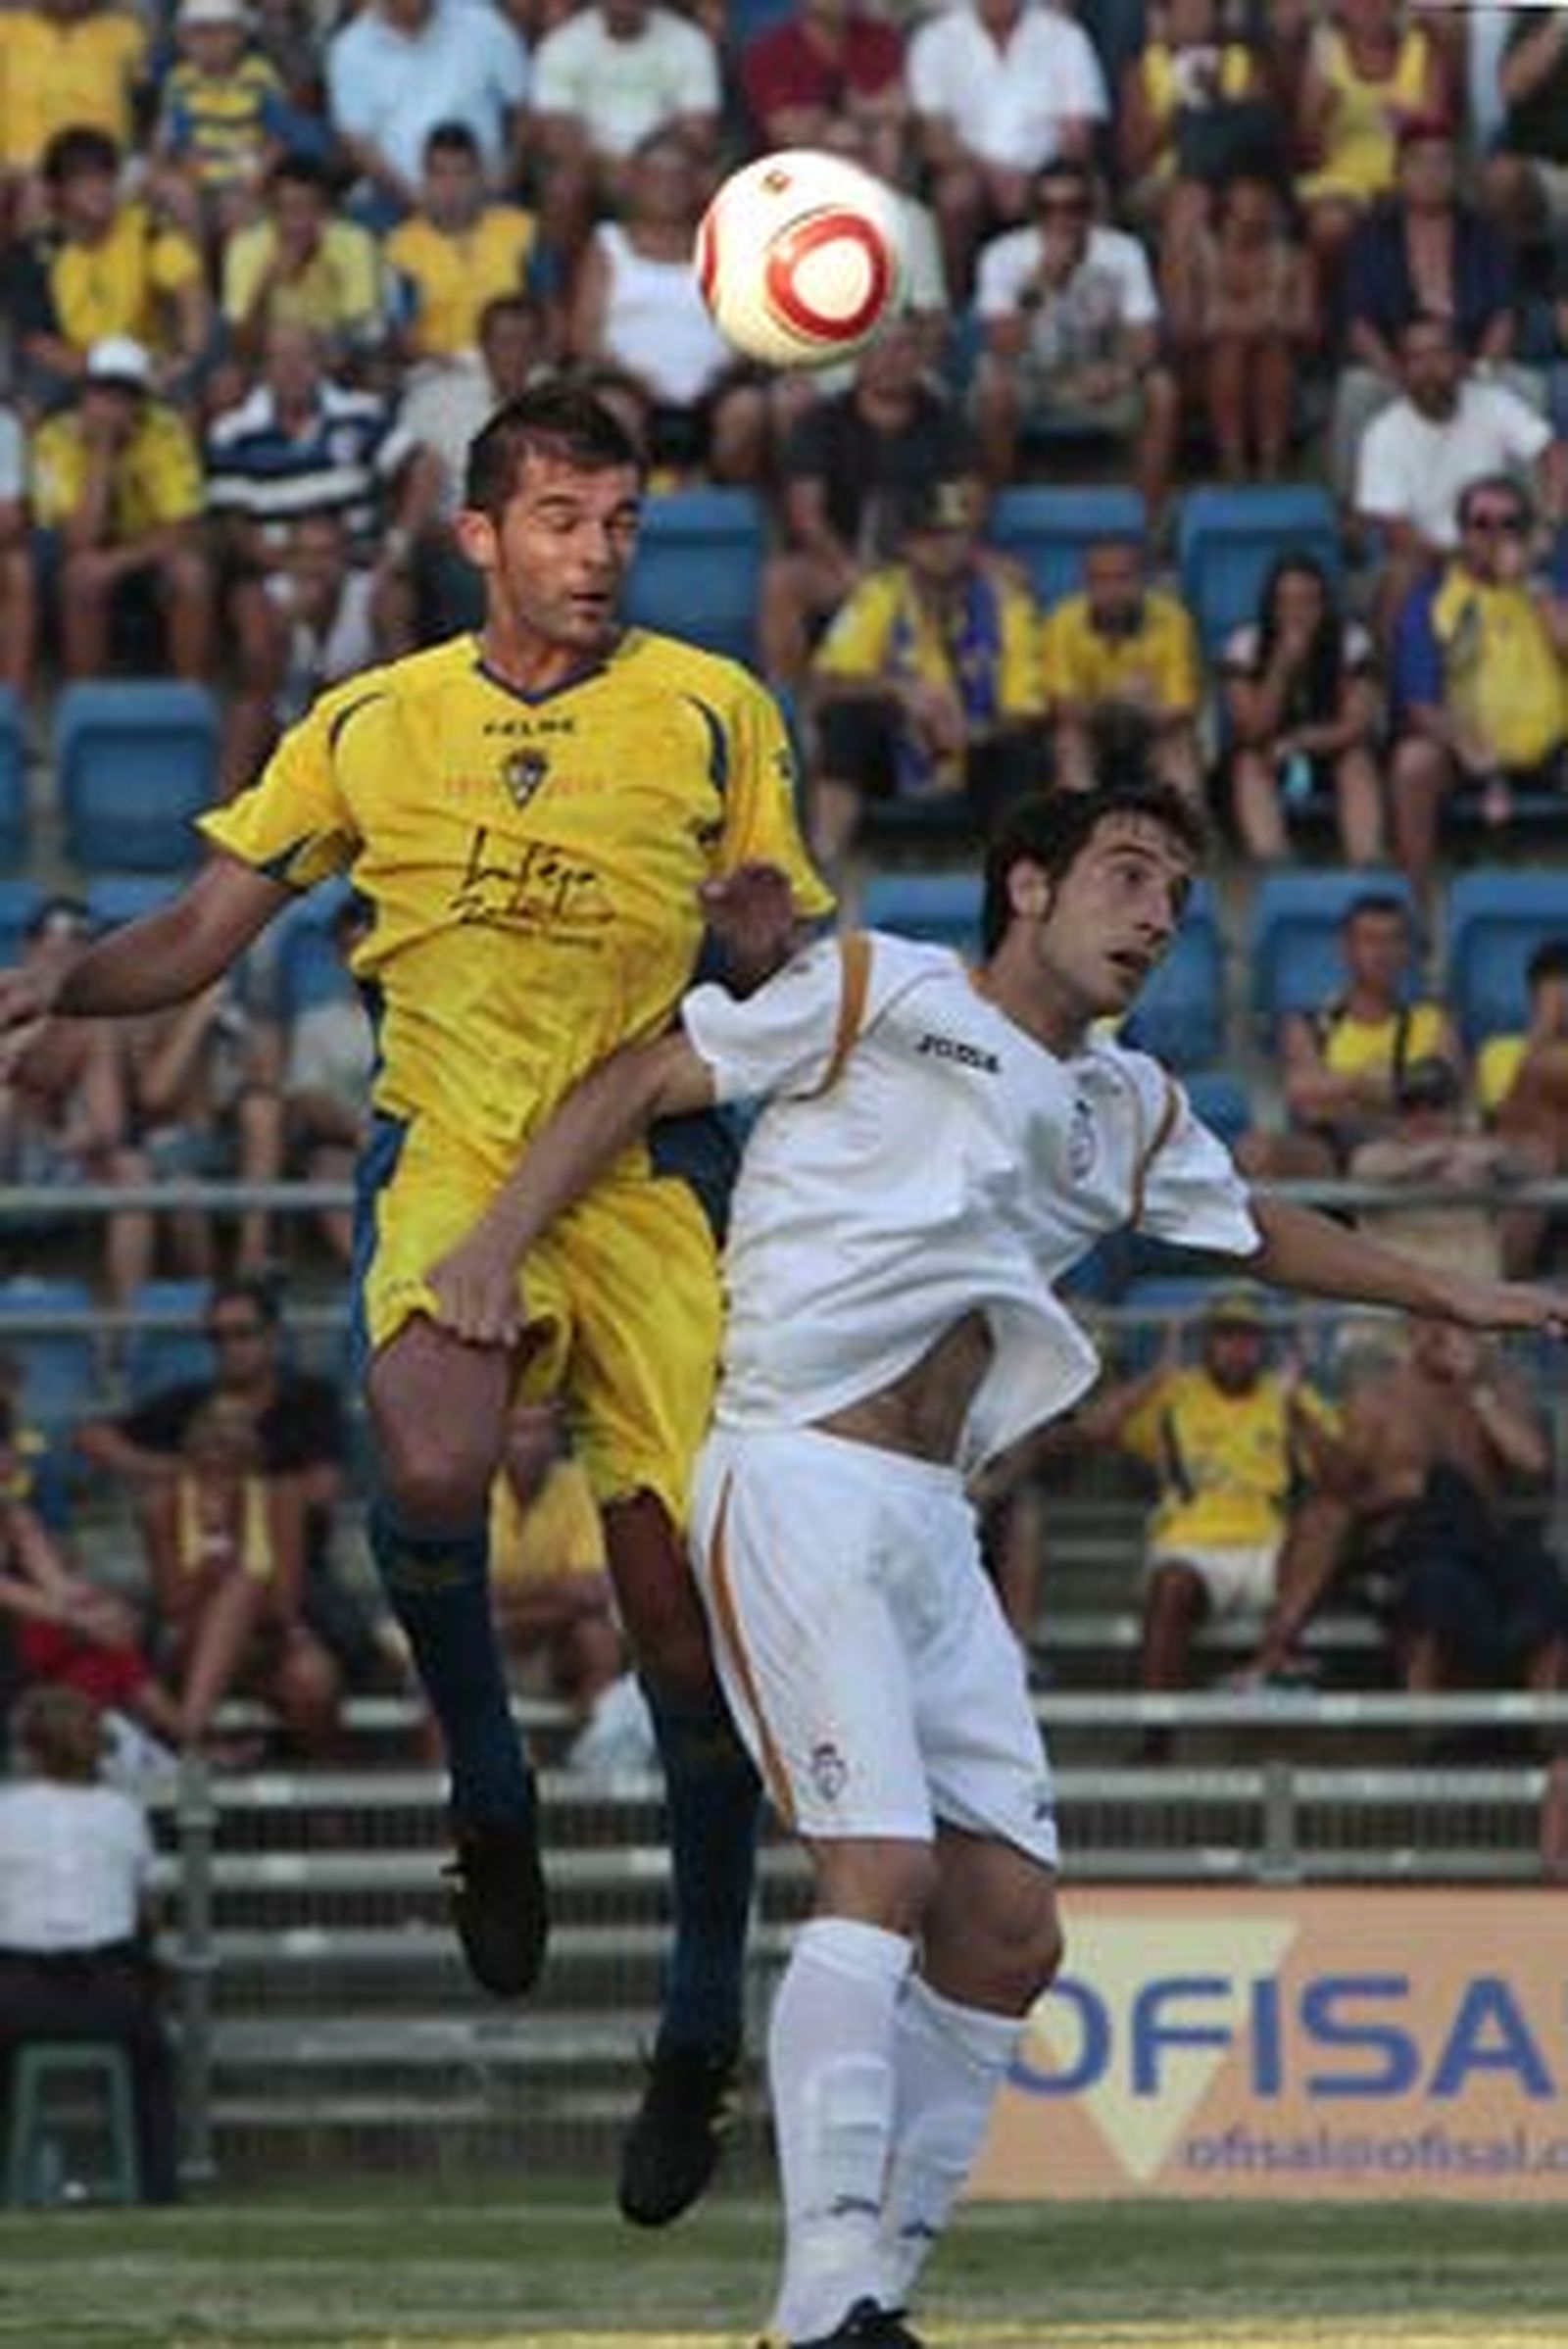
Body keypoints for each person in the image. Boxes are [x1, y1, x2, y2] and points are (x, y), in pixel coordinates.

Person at [427, 779, 1564, 2349]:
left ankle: (875, 2296)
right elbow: (644, 1076)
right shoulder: (877, 987)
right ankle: (825, 2299)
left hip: (932, 1525)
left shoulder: (1124, 1104)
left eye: (1179, 895)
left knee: (1015, 1931)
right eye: (1128, 874)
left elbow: (1255, 1226)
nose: (1158, 916)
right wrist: (491, 1243)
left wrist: (1454, 1297)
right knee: (882, 1876)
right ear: (1027, 884)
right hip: (797, 1476)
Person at [1, 380, 831, 2230]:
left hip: (651, 1176)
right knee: (436, 1461)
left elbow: (778, 946)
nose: (598, 554)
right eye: (561, 520)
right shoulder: (371, 723)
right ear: (479, 536)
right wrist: (64, 982)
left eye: (622, 521)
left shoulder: (715, 708)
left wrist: (763, 940)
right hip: (453, 1149)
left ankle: (698, 2021)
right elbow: (199, 932)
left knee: (685, 1632)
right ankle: (489, 1788)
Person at [75, 1273, 388, 1702]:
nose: (228, 1347)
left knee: (347, 1644)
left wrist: (238, 1485)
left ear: (273, 1336)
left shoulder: (311, 1399)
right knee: (133, 1641)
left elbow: (323, 1486)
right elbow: (92, 1438)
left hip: (297, 1571)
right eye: (217, 1336)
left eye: (242, 1333)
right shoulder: (189, 1402)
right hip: (195, 1573)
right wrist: (178, 1470)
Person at [1070, 1289, 1344, 1716]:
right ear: (1207, 1343)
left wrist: (1298, 1412)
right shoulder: (1174, 1393)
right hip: (1192, 1547)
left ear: (1263, 1345)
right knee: (1171, 1585)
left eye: (1249, 1337)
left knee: (1330, 1519)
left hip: (1271, 1548)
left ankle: (1267, 1665)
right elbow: (1089, 1430)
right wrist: (1154, 1378)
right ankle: (1156, 1734)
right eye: (1226, 1336)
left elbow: (1342, 1476)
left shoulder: (1286, 1394)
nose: (1238, 1348)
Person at [805, 472, 1045, 875]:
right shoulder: (880, 595)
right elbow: (826, 685)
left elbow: (1027, 711)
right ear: (907, 543)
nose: (944, 548)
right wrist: (901, 691)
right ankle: (825, 868)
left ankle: (1015, 882)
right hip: (896, 747)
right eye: (931, 535)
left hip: (977, 749)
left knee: (1021, 752)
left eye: (955, 534)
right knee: (844, 725)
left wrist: (969, 732)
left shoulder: (1007, 603)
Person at [0, 1685, 179, 2205]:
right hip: (108, 1995)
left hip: (16, 1995)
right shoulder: (123, 1813)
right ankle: (157, 2186)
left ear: (29, 1750)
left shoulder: (6, 1811)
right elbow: (149, 1913)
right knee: (152, 2063)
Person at [1386, 475, 1568, 901]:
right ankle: (1415, 905)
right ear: (1463, 533)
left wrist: (1533, 588)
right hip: (1466, 750)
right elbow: (1420, 704)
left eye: (1509, 524)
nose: (1494, 536)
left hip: (1554, 745)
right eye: (1481, 524)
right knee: (1414, 763)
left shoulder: (1550, 591)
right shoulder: (1431, 599)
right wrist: (1465, 746)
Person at [970, 159, 1181, 517]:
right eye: (1047, 208)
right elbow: (1001, 345)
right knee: (993, 392)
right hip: (1028, 374)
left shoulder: (1123, 251)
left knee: (1162, 391)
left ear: (1092, 210)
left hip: (1098, 371)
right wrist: (1041, 283)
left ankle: (1149, 519)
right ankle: (996, 515)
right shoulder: (1003, 255)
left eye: (1074, 207)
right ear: (1033, 212)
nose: (1060, 219)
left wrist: (1119, 373)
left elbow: (1144, 337)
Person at [137, 1393, 340, 1758]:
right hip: (188, 1642)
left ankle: (317, 1775)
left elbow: (283, 1606)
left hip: (267, 1639)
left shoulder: (282, 1498)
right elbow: (173, 1605)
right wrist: (212, 1579)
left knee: (313, 1678)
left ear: (255, 1440)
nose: (222, 1435)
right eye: (212, 1423)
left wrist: (238, 1527)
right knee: (242, 1583)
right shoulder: (162, 1504)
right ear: (192, 1435)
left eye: (235, 1425)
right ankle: (192, 1732)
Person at [1239, 889, 1463, 1182]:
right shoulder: (1309, 1024)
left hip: (1412, 1146)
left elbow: (1445, 1098)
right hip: (1334, 1151)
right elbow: (1302, 1096)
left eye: (1393, 940)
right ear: (1346, 948)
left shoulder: (1434, 1023)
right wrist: (1373, 1087)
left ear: (1406, 951)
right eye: (1370, 940)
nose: (1382, 952)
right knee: (1255, 1150)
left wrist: (1346, 1093)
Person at [30, 334, 213, 683]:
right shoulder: (54, 438)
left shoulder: (166, 430)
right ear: (84, 392)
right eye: (102, 390)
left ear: (140, 400)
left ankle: (191, 697)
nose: (112, 403)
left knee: (190, 574)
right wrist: (102, 452)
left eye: (125, 393)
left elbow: (183, 528)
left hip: (149, 552)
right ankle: (87, 702)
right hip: (81, 556)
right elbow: (78, 539)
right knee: (80, 577)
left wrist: (114, 564)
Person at [1218, 551, 1382, 865]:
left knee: (1356, 762)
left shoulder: (1352, 642)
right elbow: (1250, 729)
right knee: (1248, 765)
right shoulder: (1245, 645)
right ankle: (1276, 865)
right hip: (1266, 752)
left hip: (1329, 749)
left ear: (1324, 604)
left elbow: (1357, 724)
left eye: (1308, 602)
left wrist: (1299, 742)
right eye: (1286, 602)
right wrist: (1280, 668)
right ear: (1271, 606)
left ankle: (1366, 863)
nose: (1297, 613)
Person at [1037, 535, 1203, 802]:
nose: (1113, 590)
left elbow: (1181, 707)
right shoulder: (1062, 620)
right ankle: (1079, 821)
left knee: (1179, 744)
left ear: (1143, 580)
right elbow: (1063, 707)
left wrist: (1138, 710)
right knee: (1069, 741)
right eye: (1101, 579)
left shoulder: (1173, 619)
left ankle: (1186, 821)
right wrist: (1118, 700)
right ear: (1086, 583)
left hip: (1152, 732)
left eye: (1124, 578)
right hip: (1091, 732)